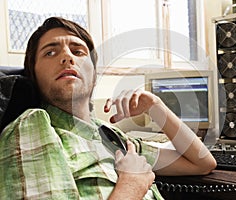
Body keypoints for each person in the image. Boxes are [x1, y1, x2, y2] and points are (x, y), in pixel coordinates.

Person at [0, 17, 216, 199]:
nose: (67, 57)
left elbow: (202, 162)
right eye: (50, 53)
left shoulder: (110, 136)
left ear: (94, 73)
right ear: (33, 75)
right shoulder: (34, 125)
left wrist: (155, 106)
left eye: (78, 51)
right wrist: (132, 185)